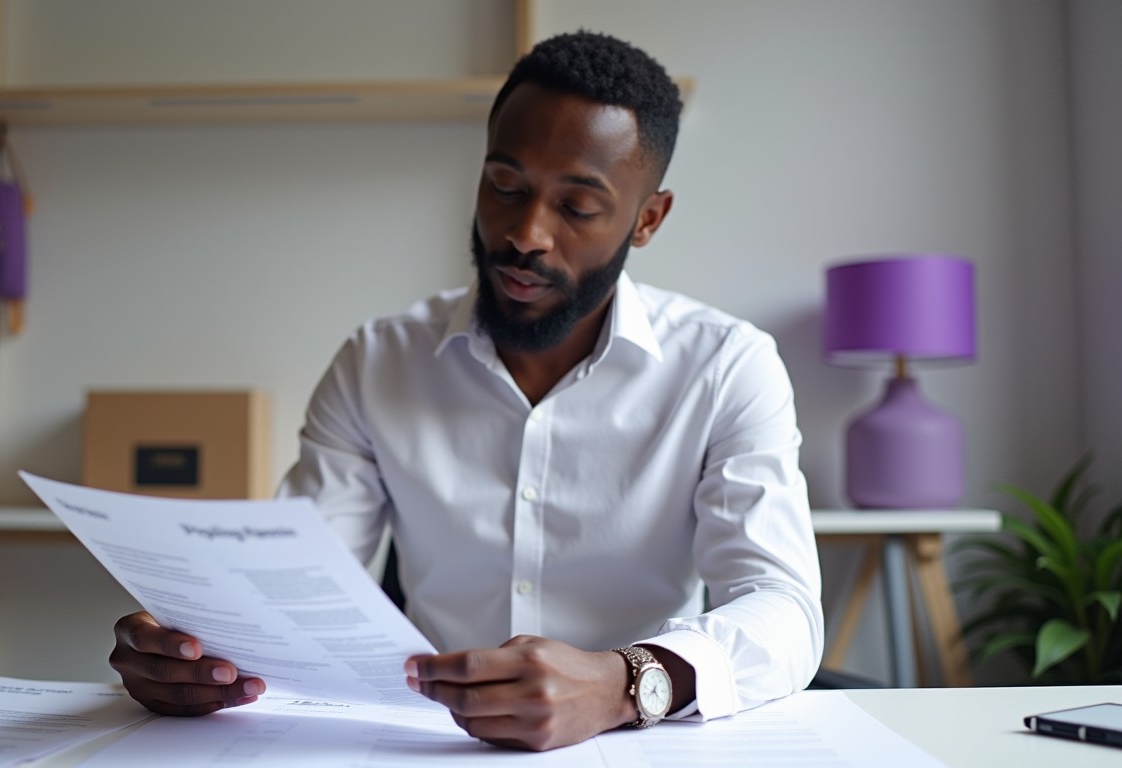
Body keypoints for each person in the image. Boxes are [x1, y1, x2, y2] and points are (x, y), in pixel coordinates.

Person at [109, 30, 823, 752]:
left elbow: (785, 612)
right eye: (505, 187)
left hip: (644, 742)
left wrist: (621, 684)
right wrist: (197, 652)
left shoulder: (726, 367)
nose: (526, 234)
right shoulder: (377, 362)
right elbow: (295, 588)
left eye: (578, 207)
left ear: (647, 219)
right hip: (425, 744)